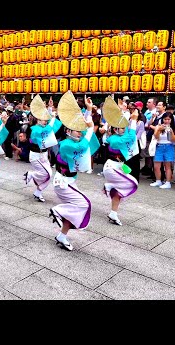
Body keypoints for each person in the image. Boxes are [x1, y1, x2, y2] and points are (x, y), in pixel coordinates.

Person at [49, 91, 98, 251]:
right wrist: (91, 130)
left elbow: (83, 128)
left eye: (80, 131)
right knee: (84, 204)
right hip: (63, 182)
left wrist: (89, 111)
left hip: (68, 180)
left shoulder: (73, 140)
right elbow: (83, 146)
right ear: (68, 131)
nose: (81, 133)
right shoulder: (66, 144)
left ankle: (62, 236)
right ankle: (57, 210)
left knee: (75, 209)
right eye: (77, 131)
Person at [101, 95, 139, 226]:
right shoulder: (114, 139)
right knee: (133, 183)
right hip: (111, 168)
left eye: (124, 127)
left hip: (118, 167)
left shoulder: (120, 135)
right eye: (121, 127)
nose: (124, 128)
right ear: (115, 129)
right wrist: (133, 120)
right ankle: (109, 186)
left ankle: (113, 213)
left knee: (118, 192)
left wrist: (127, 113)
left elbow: (129, 132)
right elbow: (131, 138)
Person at [24, 94, 62, 202]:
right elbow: (47, 130)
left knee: (49, 175)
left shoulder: (45, 126)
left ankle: (38, 191)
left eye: (46, 120)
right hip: (35, 155)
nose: (46, 121)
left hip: (44, 154)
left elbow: (50, 124)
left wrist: (50, 109)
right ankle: (31, 174)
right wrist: (53, 118)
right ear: (37, 119)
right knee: (47, 173)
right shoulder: (34, 129)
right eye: (43, 119)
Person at [150, 112, 175, 189]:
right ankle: (158, 181)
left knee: (167, 166)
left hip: (169, 146)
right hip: (159, 146)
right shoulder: (159, 126)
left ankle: (168, 182)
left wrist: (170, 131)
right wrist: (158, 129)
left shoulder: (174, 127)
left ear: (171, 120)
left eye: (168, 119)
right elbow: (156, 136)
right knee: (156, 166)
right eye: (165, 119)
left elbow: (174, 139)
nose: (166, 121)